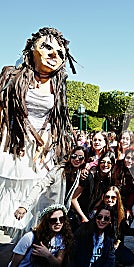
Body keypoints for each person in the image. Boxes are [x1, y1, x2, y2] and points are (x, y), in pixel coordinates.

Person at [0, 27, 76, 233]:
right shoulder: (12, 76)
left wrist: (49, 144)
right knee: (8, 191)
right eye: (46, 47)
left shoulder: (58, 85)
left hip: (41, 148)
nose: (54, 54)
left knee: (35, 195)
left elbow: (55, 119)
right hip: (13, 143)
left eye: (60, 53)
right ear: (31, 50)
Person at [14, 146, 88, 229]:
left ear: (84, 160)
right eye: (74, 156)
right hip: (45, 213)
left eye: (81, 158)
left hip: (60, 215)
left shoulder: (78, 173)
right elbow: (39, 186)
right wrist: (24, 206)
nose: (77, 159)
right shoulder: (58, 171)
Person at [71, 151, 115, 224]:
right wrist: (83, 217)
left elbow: (100, 200)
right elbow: (73, 199)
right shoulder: (88, 176)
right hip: (76, 214)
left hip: (88, 215)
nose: (105, 165)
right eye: (103, 162)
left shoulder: (108, 181)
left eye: (109, 163)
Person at [102, 186, 134, 266]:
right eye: (107, 197)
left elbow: (124, 230)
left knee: (130, 259)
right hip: (102, 244)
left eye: (113, 197)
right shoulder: (100, 211)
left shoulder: (121, 211)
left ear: (117, 198)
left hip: (116, 244)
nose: (110, 200)